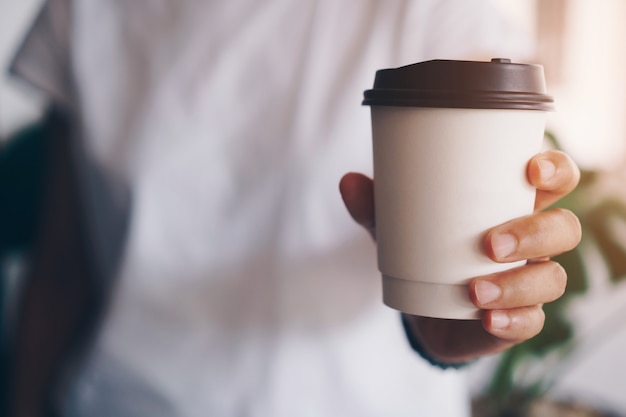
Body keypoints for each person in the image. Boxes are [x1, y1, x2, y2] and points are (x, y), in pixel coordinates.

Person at [5, 0, 582, 416]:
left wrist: (453, 316)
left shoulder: (430, 11)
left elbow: (479, 165)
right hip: (126, 399)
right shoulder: (85, 11)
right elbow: (61, 266)